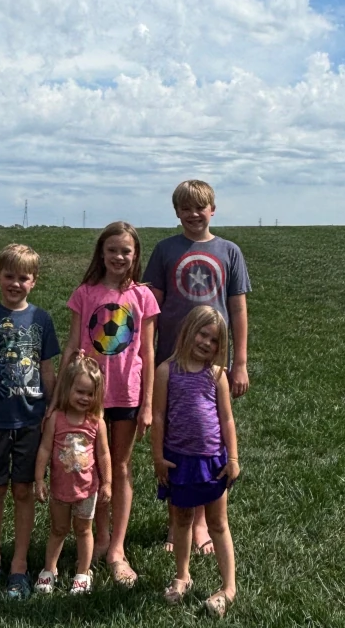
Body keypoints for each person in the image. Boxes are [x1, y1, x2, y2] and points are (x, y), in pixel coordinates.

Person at [144, 179, 251, 555]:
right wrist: (149, 356)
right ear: (176, 212)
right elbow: (151, 310)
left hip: (213, 366)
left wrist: (239, 362)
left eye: (200, 207)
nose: (193, 214)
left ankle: (204, 522)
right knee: (175, 437)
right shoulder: (164, 250)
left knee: (209, 437)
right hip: (171, 363)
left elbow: (237, 308)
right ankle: (178, 522)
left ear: (213, 209)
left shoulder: (229, 251)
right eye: (185, 208)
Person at [60, 221, 158, 585]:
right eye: (112, 250)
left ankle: (118, 547)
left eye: (126, 251)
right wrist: (60, 394)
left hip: (128, 396)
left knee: (119, 466)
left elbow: (147, 351)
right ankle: (99, 538)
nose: (119, 256)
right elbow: (73, 345)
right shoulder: (84, 294)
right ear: (101, 253)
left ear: (135, 256)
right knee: (94, 469)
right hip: (90, 397)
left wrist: (147, 404)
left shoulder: (144, 297)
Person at [0, 243, 59, 602]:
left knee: (23, 490)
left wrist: (51, 410)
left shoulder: (42, 320)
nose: (15, 284)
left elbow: (47, 369)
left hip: (32, 422)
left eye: (23, 278)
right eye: (9, 276)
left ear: (34, 281)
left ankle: (19, 565)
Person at [152, 306, 240, 618]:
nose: (206, 342)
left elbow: (227, 420)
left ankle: (229, 586)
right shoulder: (166, 371)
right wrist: (158, 457)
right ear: (188, 331)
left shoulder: (217, 375)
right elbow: (159, 416)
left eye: (214, 340)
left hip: (213, 461)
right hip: (178, 461)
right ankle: (182, 576)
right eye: (202, 334)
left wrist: (233, 458)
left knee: (217, 522)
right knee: (181, 521)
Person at [33, 353, 112, 596]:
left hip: (87, 490)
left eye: (90, 394)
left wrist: (107, 483)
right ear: (67, 389)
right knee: (58, 529)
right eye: (80, 391)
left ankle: (82, 572)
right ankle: (49, 569)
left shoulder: (96, 422)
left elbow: (104, 454)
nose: (85, 398)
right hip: (60, 488)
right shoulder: (56, 419)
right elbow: (45, 448)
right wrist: (39, 479)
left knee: (84, 530)